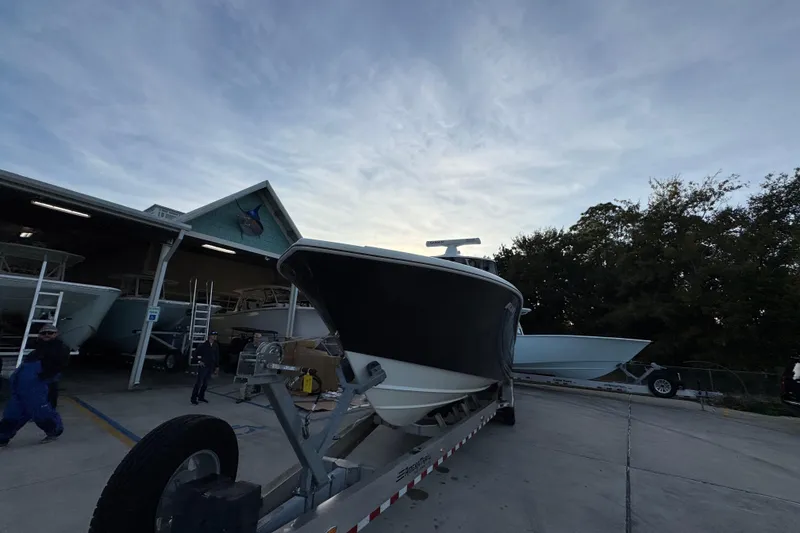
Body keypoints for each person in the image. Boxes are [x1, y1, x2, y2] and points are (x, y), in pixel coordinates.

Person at [0, 324, 68, 447]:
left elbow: (58, 367)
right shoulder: (35, 351)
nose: (47, 335)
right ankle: (2, 437)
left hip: (38, 389)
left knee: (41, 412)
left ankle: (54, 431)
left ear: (56, 334)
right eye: (43, 333)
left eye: (50, 332)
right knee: (12, 413)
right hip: (21, 389)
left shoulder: (60, 348)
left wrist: (44, 379)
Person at [190, 331, 220, 405]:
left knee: (206, 383)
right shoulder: (203, 345)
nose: (215, 337)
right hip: (204, 366)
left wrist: (217, 366)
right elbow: (194, 354)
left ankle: (201, 396)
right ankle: (193, 398)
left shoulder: (215, 345)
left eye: (216, 335)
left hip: (210, 366)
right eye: (213, 335)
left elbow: (217, 356)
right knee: (199, 383)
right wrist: (199, 361)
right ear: (210, 336)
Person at [236, 332, 263, 404]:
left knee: (251, 383)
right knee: (243, 383)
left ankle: (248, 395)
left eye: (259, 337)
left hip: (254, 367)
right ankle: (241, 397)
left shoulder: (261, 347)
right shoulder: (248, 345)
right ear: (254, 338)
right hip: (246, 366)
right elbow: (244, 354)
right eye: (256, 337)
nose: (257, 339)